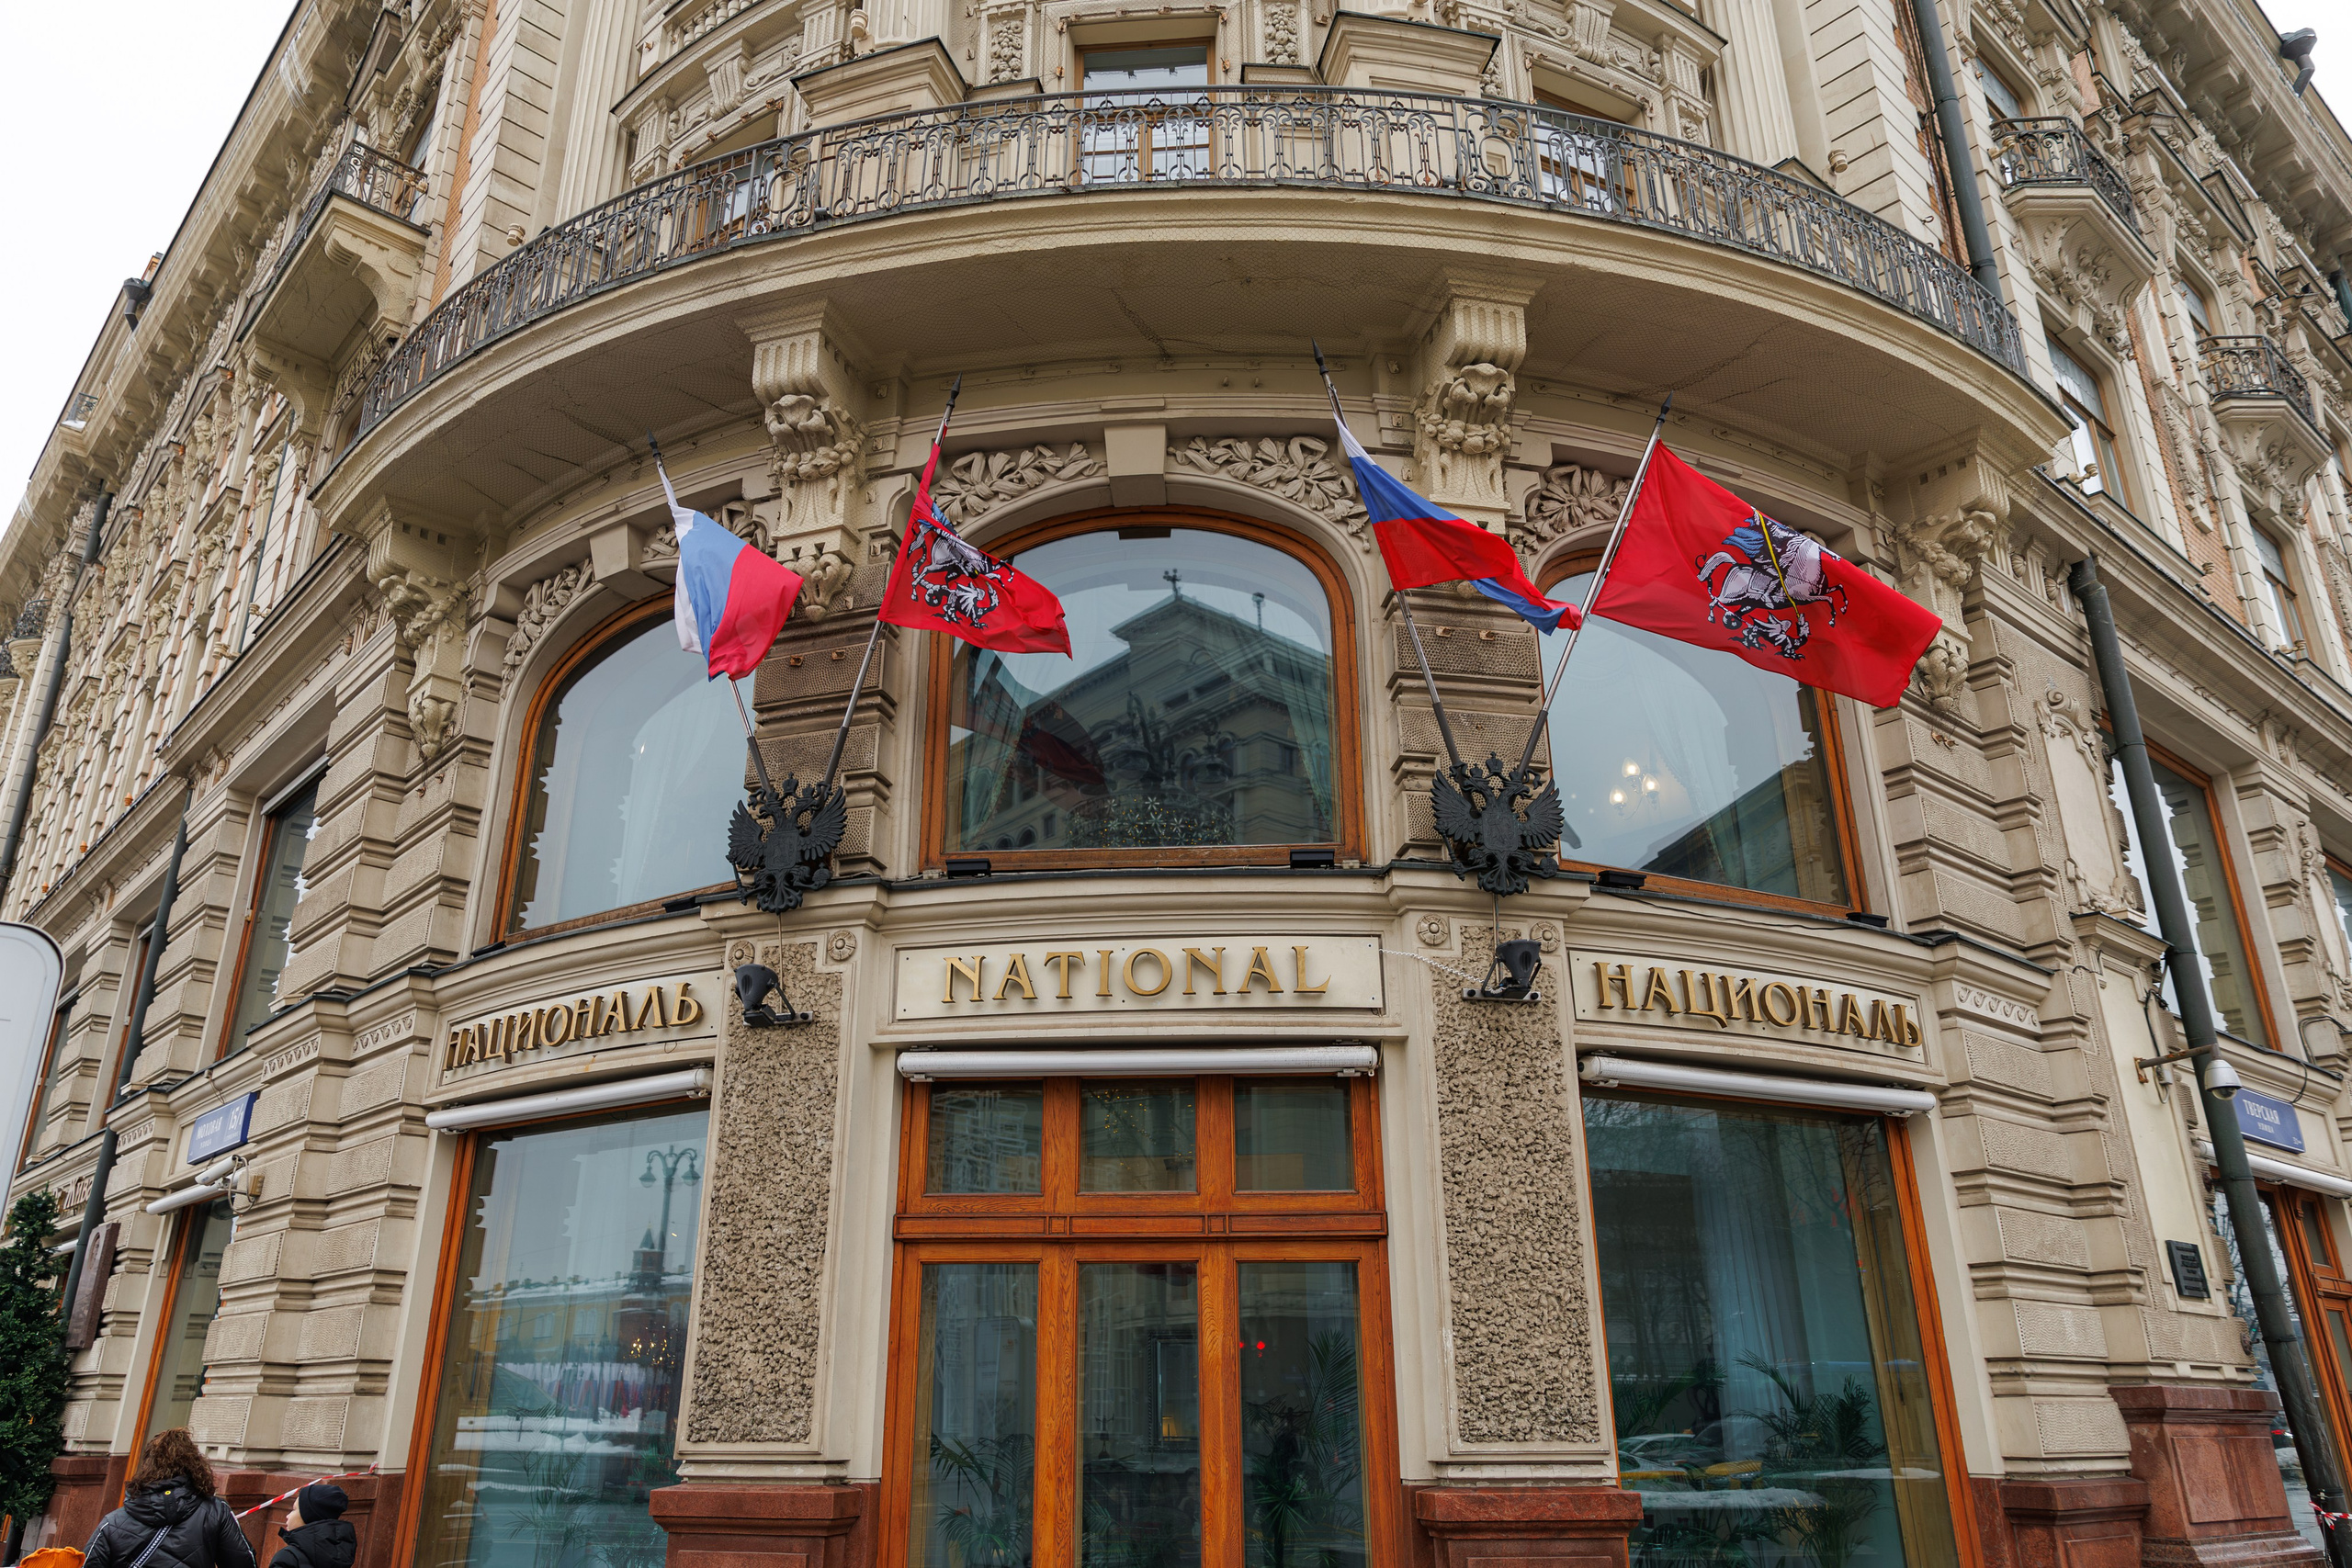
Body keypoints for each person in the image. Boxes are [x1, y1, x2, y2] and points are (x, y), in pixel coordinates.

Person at [82, 1429, 255, 1568]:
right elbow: (243, 1562)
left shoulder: (112, 1523)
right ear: (195, 1465)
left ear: (147, 1466)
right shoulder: (216, 1511)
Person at [266, 1483, 353, 1568]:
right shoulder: (341, 1555)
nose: (287, 1516)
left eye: (294, 1509)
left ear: (307, 1516)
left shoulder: (288, 1558)